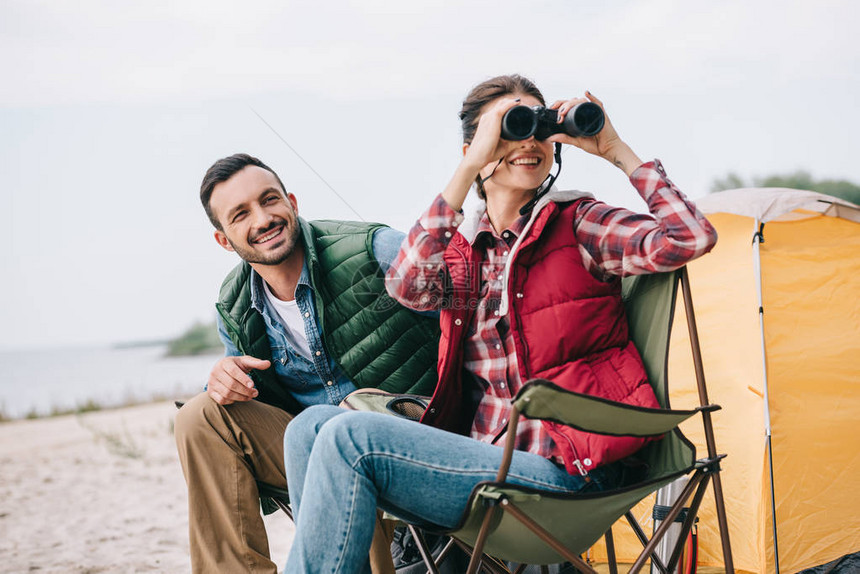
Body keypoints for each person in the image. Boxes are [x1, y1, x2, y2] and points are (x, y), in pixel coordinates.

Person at [279, 74, 719, 574]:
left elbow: (690, 237)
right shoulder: (465, 251)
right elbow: (406, 286)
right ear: (479, 149)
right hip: (481, 464)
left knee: (349, 438)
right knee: (309, 428)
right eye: (512, 127)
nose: (530, 141)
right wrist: (467, 168)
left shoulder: (578, 223)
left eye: (539, 126)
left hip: (566, 474)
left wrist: (616, 150)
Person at [174, 153, 440, 574]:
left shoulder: (374, 250)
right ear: (225, 239)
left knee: (339, 436)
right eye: (241, 214)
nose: (262, 219)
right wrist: (222, 382)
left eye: (269, 200)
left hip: (415, 439)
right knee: (199, 417)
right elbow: (240, 390)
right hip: (310, 450)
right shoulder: (235, 305)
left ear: (292, 203)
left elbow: (473, 328)